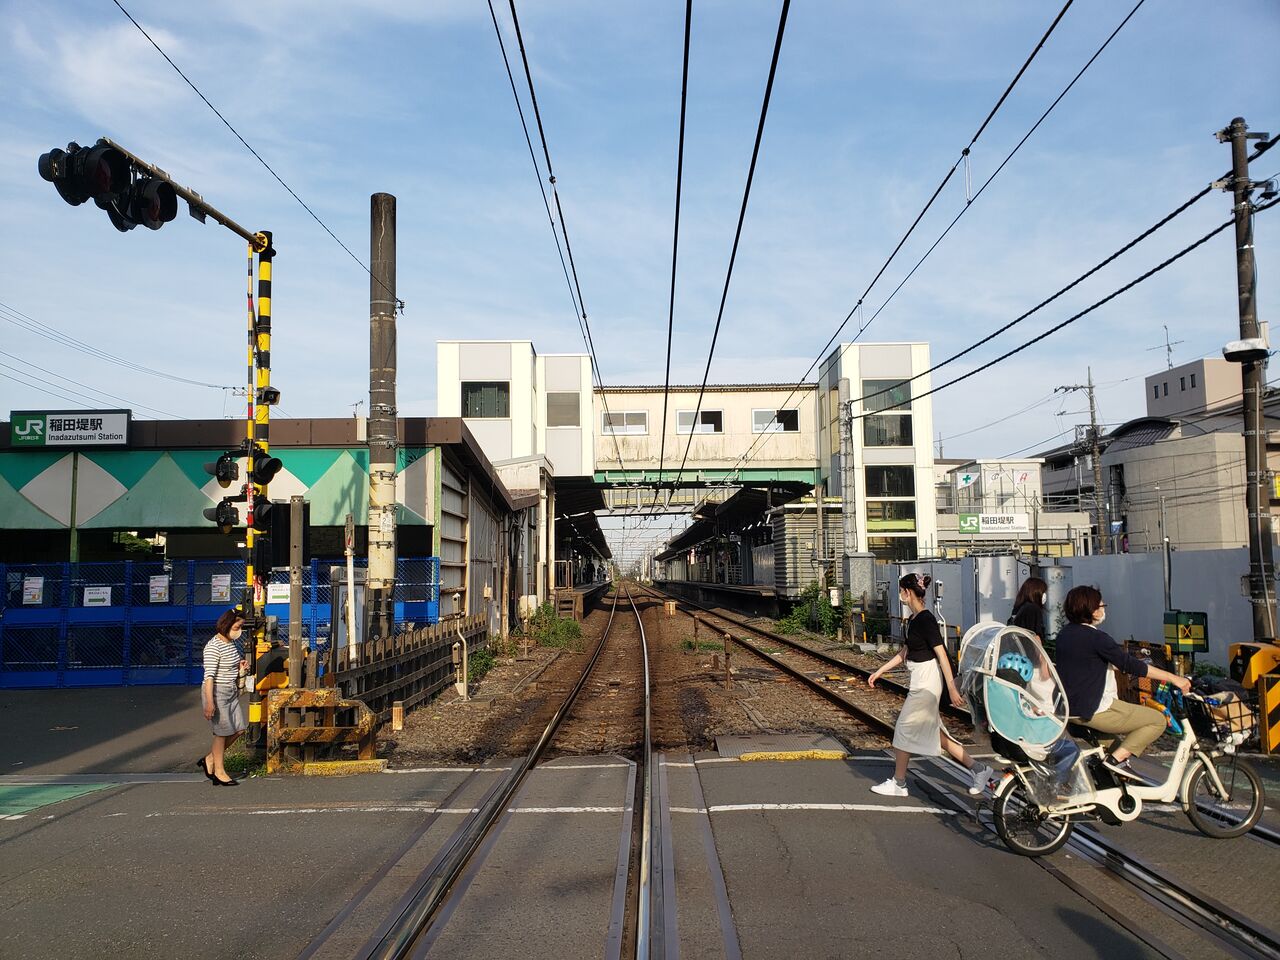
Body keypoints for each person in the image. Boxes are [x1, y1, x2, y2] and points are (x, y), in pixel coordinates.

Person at [867, 572, 993, 797]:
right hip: (920, 679)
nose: (900, 596)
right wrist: (880, 671)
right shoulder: (914, 619)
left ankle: (899, 783)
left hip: (927, 684)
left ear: (907, 592)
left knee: (904, 729)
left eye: (901, 592)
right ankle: (979, 769)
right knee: (937, 736)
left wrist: (952, 688)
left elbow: (942, 654)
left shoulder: (926, 619)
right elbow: (906, 652)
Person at [1054, 585, 1190, 779]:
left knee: (1119, 752)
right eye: (1101, 605)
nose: (1104, 610)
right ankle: (1113, 763)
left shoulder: (1065, 635)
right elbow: (1132, 666)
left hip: (1069, 710)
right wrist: (1173, 678)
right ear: (1091, 610)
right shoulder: (1097, 638)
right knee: (1157, 720)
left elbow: (1088, 663)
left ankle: (1109, 787)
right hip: (1095, 709)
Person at [199, 608, 248, 786]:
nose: (239, 630)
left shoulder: (229, 644)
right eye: (237, 626)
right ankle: (219, 771)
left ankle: (210, 759)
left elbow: (228, 666)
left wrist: (239, 665)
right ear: (227, 624)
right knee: (221, 733)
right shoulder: (213, 646)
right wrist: (209, 703)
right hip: (217, 692)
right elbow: (209, 676)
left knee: (239, 729)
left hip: (230, 692)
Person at [1008, 576, 1048, 643]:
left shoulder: (1018, 608)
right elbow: (1036, 636)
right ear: (1036, 592)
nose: (1044, 595)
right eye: (1043, 592)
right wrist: (1040, 653)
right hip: (1028, 650)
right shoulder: (1033, 609)